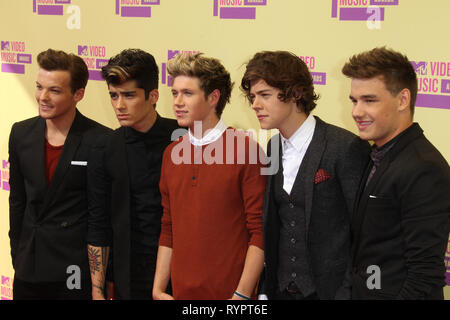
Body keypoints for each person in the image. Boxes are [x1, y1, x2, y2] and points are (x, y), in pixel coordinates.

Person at [240, 51, 371, 300]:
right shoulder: (273, 147)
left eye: (265, 95)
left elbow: (364, 236)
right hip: (280, 291)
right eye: (253, 96)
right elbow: (275, 225)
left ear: (295, 93)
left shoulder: (344, 147)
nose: (255, 104)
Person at [152, 52, 266, 300]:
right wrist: (158, 289)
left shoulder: (246, 151)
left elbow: (259, 231)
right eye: (174, 93)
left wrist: (242, 295)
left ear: (214, 97)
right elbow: (168, 227)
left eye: (188, 93)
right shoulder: (171, 153)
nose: (177, 102)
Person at [342, 46, 450, 299]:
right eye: (354, 101)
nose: (357, 111)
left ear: (403, 100)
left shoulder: (424, 168)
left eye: (369, 100)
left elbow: (424, 276)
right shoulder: (378, 153)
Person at [8, 49, 111, 300]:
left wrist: (99, 285)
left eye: (54, 90)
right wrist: (18, 256)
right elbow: (17, 202)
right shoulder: (21, 133)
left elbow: (100, 217)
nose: (42, 97)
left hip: (73, 272)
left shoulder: (100, 140)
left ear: (78, 94)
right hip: (28, 269)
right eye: (39, 87)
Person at [86, 49, 179, 300]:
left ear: (153, 96)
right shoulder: (104, 148)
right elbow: (98, 224)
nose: (119, 105)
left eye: (129, 95)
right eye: (114, 96)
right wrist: (97, 289)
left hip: (181, 273)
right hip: (129, 278)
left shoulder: (182, 137)